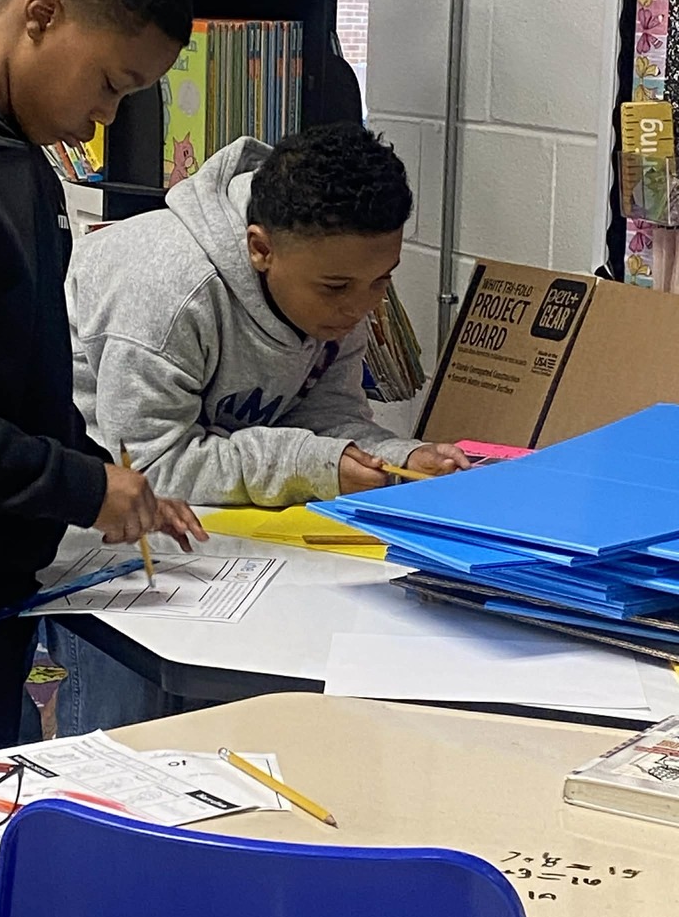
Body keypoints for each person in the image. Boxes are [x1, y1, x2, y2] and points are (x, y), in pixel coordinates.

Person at [48, 123, 469, 735]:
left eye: (383, 280)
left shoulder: (339, 278)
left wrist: (395, 457)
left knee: (241, 737)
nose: (361, 308)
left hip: (234, 542)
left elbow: (328, 416)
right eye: (338, 289)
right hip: (113, 549)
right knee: (128, 741)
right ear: (260, 248)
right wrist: (317, 464)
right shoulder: (166, 292)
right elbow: (147, 469)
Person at [0, 0, 205, 759]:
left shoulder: (16, 162)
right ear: (41, 14)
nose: (108, 116)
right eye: (110, 83)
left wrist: (96, 473)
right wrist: (77, 487)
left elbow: (5, 379)